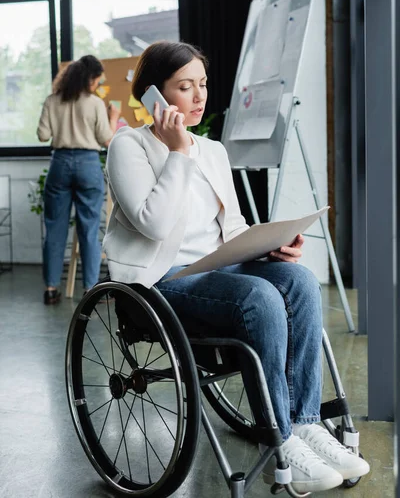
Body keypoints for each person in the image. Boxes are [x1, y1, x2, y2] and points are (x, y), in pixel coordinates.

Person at [103, 41, 370, 494]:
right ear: (155, 96)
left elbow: (232, 227)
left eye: (202, 84)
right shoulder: (128, 147)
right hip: (163, 281)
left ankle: (303, 426)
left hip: (221, 269)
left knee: (300, 281)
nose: (199, 96)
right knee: (260, 297)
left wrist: (268, 248)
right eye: (184, 87)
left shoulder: (214, 151)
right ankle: (278, 439)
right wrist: (178, 153)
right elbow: (154, 223)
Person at [37, 55, 120, 305]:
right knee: (89, 228)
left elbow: (43, 135)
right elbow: (108, 140)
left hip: (59, 164)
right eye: (97, 79)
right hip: (87, 164)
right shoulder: (95, 103)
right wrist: (113, 118)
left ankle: (51, 289)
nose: (98, 84)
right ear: (90, 79)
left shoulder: (52, 101)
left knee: (54, 230)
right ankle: (90, 290)